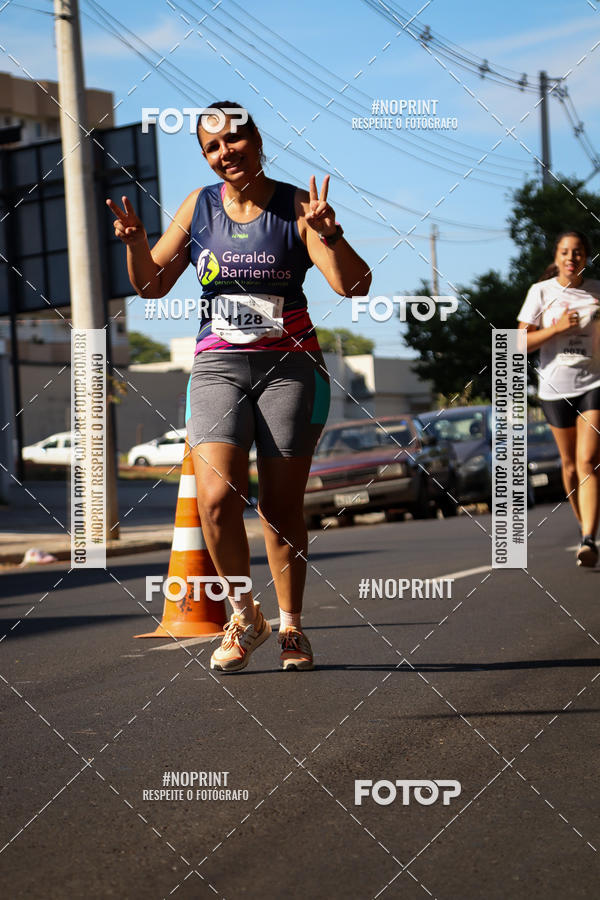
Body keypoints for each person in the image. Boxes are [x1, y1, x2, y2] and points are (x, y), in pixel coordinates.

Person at [107, 101, 372, 669]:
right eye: (211, 148)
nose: (224, 153)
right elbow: (151, 285)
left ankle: (292, 628)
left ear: (256, 141)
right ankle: (244, 615)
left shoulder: (297, 207)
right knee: (217, 499)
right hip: (218, 367)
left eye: (233, 141)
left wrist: (332, 233)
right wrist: (134, 244)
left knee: (280, 506)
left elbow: (355, 286)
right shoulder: (199, 206)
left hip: (290, 369)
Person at [517, 230, 600, 567]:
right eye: (565, 251)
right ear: (556, 258)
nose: (571, 257)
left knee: (587, 460)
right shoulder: (540, 292)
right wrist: (557, 329)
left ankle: (588, 537)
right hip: (554, 388)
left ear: (586, 257)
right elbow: (518, 342)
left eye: (578, 252)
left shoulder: (597, 291)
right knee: (569, 467)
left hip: (594, 382)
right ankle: (585, 526)